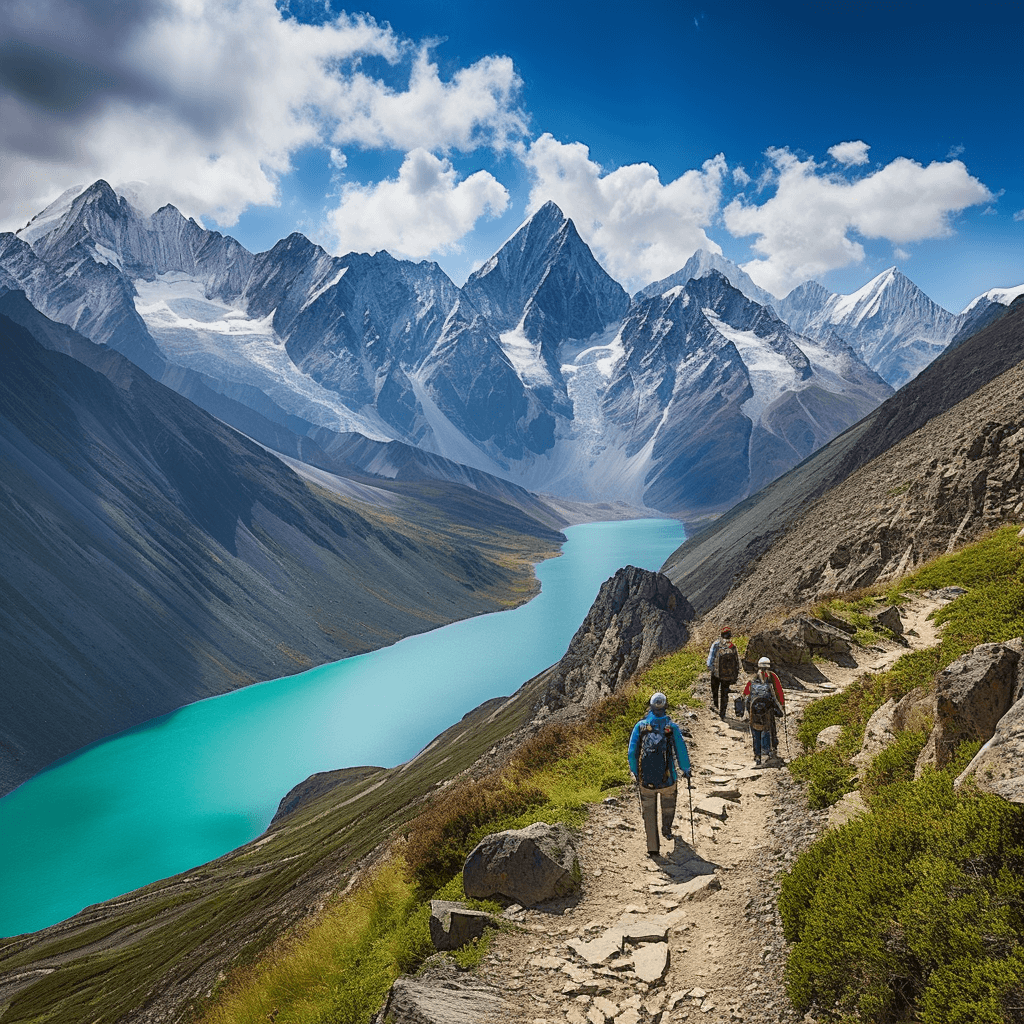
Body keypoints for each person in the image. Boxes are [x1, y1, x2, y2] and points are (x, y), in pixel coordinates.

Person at [627, 691, 691, 857]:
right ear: (665, 707)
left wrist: (636, 772)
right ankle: (666, 829)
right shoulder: (671, 727)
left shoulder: (640, 727)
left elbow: (632, 752)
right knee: (668, 805)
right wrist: (686, 770)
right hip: (668, 779)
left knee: (648, 812)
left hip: (646, 780)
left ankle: (653, 848)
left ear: (650, 706)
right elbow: (681, 751)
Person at [742, 656, 785, 764]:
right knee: (767, 730)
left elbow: (746, 694)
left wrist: (748, 709)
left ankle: (757, 756)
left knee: (756, 732)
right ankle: (768, 752)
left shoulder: (752, 679)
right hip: (767, 711)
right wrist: (781, 707)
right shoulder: (773, 677)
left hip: (754, 711)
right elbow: (779, 693)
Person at [707, 626, 740, 719]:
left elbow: (709, 661)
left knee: (715, 691)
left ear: (721, 635)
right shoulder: (732, 646)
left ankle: (716, 707)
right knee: (724, 693)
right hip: (727, 675)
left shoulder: (716, 644)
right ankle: (723, 713)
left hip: (716, 674)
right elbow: (738, 662)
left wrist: (712, 669)